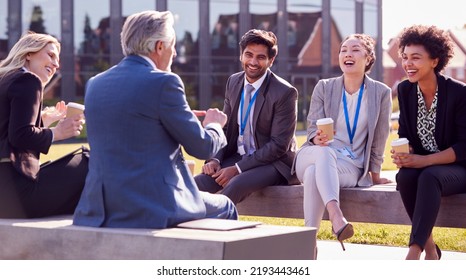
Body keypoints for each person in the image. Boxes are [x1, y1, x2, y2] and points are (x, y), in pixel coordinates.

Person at [73, 10, 237, 229]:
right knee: (226, 206)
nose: (175, 53)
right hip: (153, 205)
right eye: (173, 45)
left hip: (99, 206)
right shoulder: (164, 82)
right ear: (160, 46)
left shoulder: (95, 83)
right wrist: (214, 124)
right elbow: (203, 147)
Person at [294, 34, 392, 253]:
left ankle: (308, 244)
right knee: (323, 154)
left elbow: (380, 137)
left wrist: (375, 174)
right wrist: (315, 138)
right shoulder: (324, 87)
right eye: (343, 49)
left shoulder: (381, 93)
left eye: (355, 50)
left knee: (313, 174)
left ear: (368, 59)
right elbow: (311, 128)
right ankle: (336, 215)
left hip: (350, 166)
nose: (347, 54)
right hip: (314, 153)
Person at [194, 29, 299, 204]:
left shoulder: (285, 92)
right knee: (198, 183)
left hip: (275, 163)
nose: (253, 62)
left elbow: (279, 146)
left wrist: (237, 168)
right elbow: (225, 128)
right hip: (239, 156)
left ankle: (214, 228)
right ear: (241, 56)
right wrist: (215, 159)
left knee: (236, 184)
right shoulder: (233, 82)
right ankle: (183, 225)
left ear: (271, 60)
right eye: (248, 55)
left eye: (260, 57)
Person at [393, 25, 466, 260]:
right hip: (425, 166)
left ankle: (414, 252)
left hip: (458, 168)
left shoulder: (459, 93)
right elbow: (405, 133)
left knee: (429, 175)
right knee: (404, 175)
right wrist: (406, 153)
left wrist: (423, 160)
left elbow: (464, 148)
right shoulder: (405, 90)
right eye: (405, 57)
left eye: (416, 58)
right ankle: (430, 248)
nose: (408, 64)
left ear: (435, 60)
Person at [0, 32, 87, 218]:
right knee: (89, 160)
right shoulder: (29, 80)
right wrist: (58, 132)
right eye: (51, 55)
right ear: (28, 53)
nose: (56, 64)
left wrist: (43, 122)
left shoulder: (5, 80)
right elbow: (20, 135)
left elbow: (8, 133)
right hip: (17, 196)